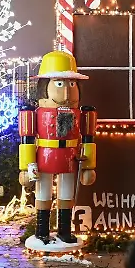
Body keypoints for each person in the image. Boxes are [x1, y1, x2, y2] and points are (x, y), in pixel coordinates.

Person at [18, 50, 97, 252]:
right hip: (43, 158)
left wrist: (89, 166)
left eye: (72, 84)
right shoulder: (33, 113)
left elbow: (88, 139)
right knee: (43, 193)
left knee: (66, 194)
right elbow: (26, 140)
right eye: (59, 84)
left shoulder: (84, 114)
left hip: (71, 157)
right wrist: (25, 167)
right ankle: (42, 231)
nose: (67, 92)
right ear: (45, 87)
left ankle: (64, 230)